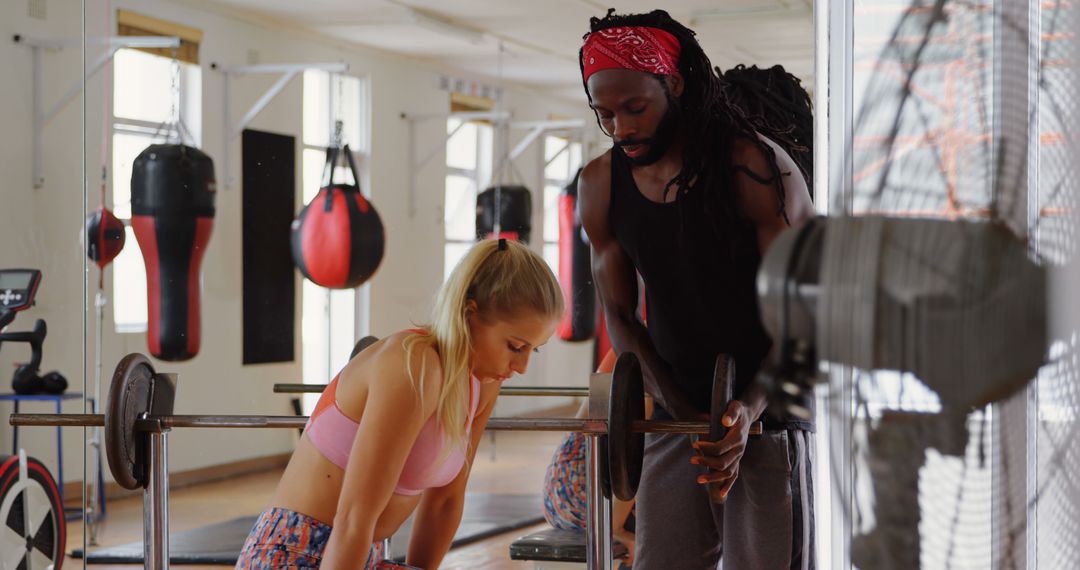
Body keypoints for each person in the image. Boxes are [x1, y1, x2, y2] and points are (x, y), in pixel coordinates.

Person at [577, 9, 817, 570]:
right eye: (605, 115)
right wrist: (686, 416)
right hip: (674, 412)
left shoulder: (755, 169)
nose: (622, 128)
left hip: (772, 408)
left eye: (635, 108)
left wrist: (744, 414)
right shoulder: (600, 185)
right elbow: (620, 314)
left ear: (674, 84)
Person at [235, 238, 563, 569]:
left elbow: (444, 503)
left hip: (362, 555)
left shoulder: (482, 383)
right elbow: (353, 519)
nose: (521, 367)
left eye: (532, 350)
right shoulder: (413, 365)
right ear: (469, 314)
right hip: (297, 552)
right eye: (515, 346)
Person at [541, 350, 647, 568]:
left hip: (557, 494)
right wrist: (616, 528)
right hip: (588, 498)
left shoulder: (621, 346)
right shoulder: (645, 353)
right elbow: (638, 454)